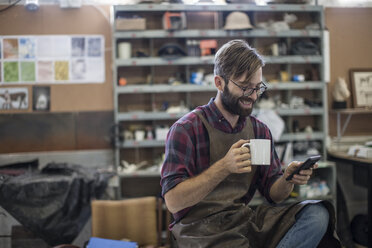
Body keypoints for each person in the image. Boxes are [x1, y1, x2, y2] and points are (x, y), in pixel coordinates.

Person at [160, 40, 341, 248]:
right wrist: (224, 167)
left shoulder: (259, 131)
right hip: (199, 231)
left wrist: (288, 179)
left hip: (242, 222)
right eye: (245, 88)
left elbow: (274, 195)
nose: (253, 96)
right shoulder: (186, 129)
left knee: (317, 214)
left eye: (257, 88)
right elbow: (173, 201)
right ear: (219, 83)